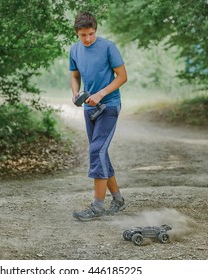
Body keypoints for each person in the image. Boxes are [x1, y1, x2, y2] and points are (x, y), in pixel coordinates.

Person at [69, 12, 128, 221]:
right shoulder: (74, 50)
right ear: (77, 33)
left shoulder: (108, 47)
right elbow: (75, 76)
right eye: (83, 35)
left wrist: (101, 93)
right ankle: (118, 200)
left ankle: (97, 206)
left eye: (91, 34)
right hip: (89, 109)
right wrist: (75, 92)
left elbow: (122, 76)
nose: (87, 39)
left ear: (96, 30)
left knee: (96, 150)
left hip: (109, 106)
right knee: (101, 152)